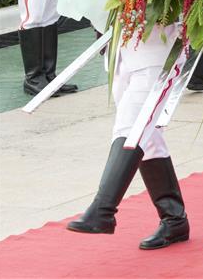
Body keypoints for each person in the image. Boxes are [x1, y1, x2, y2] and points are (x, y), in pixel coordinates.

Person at [67, 24, 190, 251]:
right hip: (122, 48)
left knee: (131, 128)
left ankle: (103, 209)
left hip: (158, 50)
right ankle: (174, 219)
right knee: (149, 138)